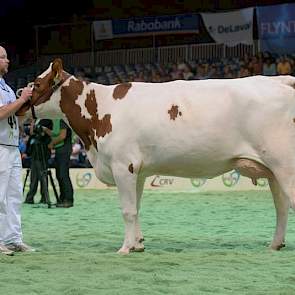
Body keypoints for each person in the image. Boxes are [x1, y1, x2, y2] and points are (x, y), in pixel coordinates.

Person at [0, 45, 35, 255]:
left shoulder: (6, 87)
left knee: (14, 195)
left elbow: (14, 117)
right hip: (0, 146)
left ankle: (13, 238)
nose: (7, 61)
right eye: (3, 57)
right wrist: (21, 100)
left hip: (11, 146)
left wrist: (27, 104)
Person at [24, 119, 53, 204]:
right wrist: (33, 123)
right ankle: (30, 197)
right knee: (34, 176)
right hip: (34, 151)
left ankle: (44, 197)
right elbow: (31, 132)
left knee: (43, 175)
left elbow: (51, 133)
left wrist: (43, 129)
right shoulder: (35, 120)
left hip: (43, 150)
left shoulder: (48, 120)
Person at [48, 119, 74, 208]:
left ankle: (68, 199)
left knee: (63, 175)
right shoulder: (58, 121)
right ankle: (62, 198)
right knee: (59, 175)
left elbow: (62, 136)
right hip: (60, 150)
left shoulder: (63, 120)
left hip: (64, 150)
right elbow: (56, 134)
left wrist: (52, 143)